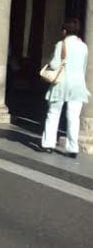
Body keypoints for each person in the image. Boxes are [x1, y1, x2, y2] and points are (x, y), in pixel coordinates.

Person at [40, 18, 89, 158]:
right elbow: (83, 66)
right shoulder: (84, 46)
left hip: (61, 84)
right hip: (78, 85)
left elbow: (55, 65)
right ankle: (73, 148)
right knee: (74, 117)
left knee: (53, 114)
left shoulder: (61, 45)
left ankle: (48, 144)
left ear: (65, 31)